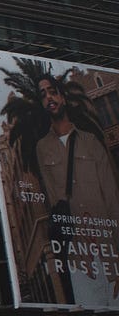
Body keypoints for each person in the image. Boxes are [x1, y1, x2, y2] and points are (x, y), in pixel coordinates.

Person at [31, 75, 119, 306]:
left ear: (62, 97)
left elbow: (112, 200)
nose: (49, 97)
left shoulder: (90, 141)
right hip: (78, 258)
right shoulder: (43, 148)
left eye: (52, 91)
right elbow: (55, 201)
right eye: (43, 95)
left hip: (108, 251)